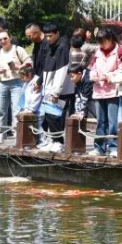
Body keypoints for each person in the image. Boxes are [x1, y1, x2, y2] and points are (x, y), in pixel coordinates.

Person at [0, 30, 32, 143]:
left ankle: (17, 134)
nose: (3, 41)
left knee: (16, 110)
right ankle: (0, 134)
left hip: (17, 82)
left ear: (10, 38)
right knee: (1, 109)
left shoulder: (18, 49)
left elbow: (29, 62)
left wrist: (19, 67)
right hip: (2, 82)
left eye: (5, 38)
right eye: (0, 39)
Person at [39, 24, 74, 153]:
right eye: (46, 36)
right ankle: (53, 140)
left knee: (54, 116)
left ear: (57, 34)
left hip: (60, 91)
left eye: (51, 36)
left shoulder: (62, 47)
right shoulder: (51, 47)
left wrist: (56, 92)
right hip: (49, 88)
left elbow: (62, 71)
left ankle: (58, 142)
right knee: (49, 116)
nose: (48, 38)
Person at [89, 28, 122, 156]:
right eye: (100, 42)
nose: (102, 45)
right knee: (100, 121)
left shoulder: (119, 51)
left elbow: (121, 70)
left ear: (110, 39)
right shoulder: (97, 51)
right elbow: (92, 67)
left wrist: (108, 76)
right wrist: (94, 76)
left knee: (113, 122)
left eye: (104, 41)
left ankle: (113, 146)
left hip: (113, 90)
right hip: (99, 90)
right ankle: (99, 147)